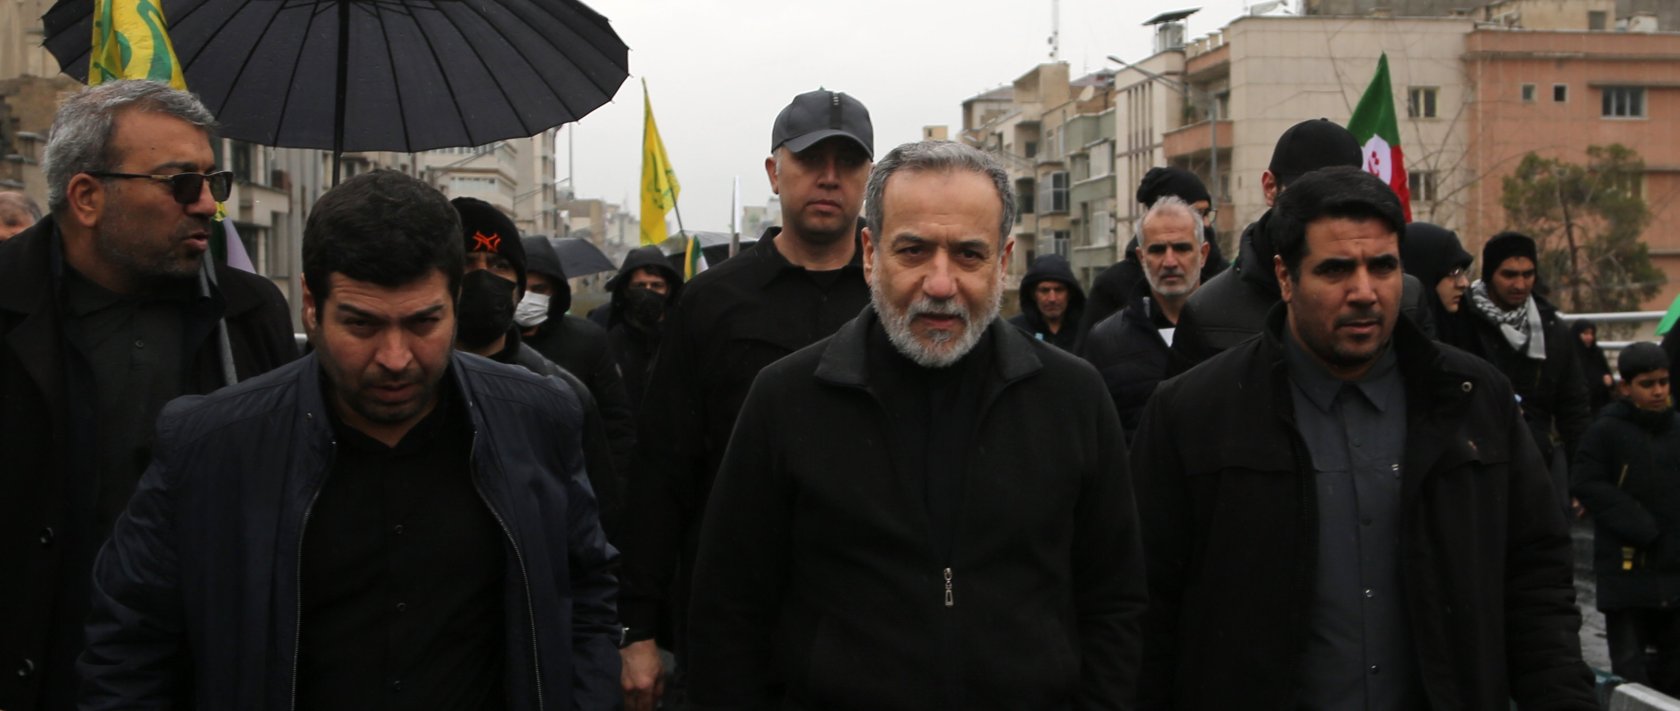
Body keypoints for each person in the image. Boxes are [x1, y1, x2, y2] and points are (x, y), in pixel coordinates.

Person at [77, 169, 620, 709]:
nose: (394, 358)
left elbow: (585, 595)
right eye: (361, 325)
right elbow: (128, 647)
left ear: (454, 301)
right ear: (311, 305)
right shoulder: (211, 445)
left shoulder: (539, 416)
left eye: (423, 322)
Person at [687, 139, 1144, 709]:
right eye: (914, 250)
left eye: (969, 255)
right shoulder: (787, 400)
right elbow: (729, 613)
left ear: (1003, 263)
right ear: (870, 253)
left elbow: (1115, 601)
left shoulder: (1073, 398)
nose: (940, 283)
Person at [1132, 166, 1594, 709]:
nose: (1364, 292)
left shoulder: (1475, 400)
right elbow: (1143, 609)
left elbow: (1537, 584)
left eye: (1383, 267)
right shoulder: (1194, 414)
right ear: (1285, 277)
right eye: (1335, 270)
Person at [0, 80, 297, 711]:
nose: (206, 207)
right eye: (179, 183)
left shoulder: (245, 314)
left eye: (214, 183)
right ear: (86, 197)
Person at [618, 88, 875, 709]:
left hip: (869, 625)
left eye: (848, 162)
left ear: (870, 177)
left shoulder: (894, 299)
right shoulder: (712, 302)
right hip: (734, 627)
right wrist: (637, 630)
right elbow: (662, 470)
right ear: (774, 171)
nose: (829, 178)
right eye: (812, 159)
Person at [1171, 118, 1435, 367]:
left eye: (1339, 195)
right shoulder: (1208, 311)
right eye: (1306, 195)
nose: (1363, 293)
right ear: (1270, 187)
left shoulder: (1406, 299)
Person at [452, 198, 626, 537]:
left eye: (499, 264)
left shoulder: (563, 396)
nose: (483, 276)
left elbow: (594, 525)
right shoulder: (408, 381)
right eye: (467, 263)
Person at [1573, 342, 1680, 694]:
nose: (1658, 391)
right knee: (1632, 678)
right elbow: (1587, 482)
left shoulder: (1675, 428)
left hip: (1672, 569)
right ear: (1626, 387)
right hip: (1625, 570)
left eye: (1663, 382)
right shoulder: (1606, 431)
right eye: (1648, 384)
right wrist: (1640, 525)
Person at [1459, 231, 1592, 495]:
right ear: (1490, 274)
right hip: (1476, 466)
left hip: (1537, 463)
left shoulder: (1552, 329)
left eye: (1527, 274)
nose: (1520, 284)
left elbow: (1573, 407)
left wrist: (1582, 478)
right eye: (1509, 274)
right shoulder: (1461, 319)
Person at [1082, 195, 1209, 441]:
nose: (1170, 261)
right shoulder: (1106, 342)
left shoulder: (1233, 331)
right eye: (1158, 250)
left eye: (1182, 248)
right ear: (1142, 258)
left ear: (1203, 254)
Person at [519, 233, 636, 476]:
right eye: (521, 288)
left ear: (555, 291)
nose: (528, 298)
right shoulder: (492, 341)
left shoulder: (587, 340)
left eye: (538, 289)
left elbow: (615, 422)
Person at [1076, 166, 1226, 343]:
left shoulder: (1226, 283)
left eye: (1207, 213)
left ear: (1203, 253)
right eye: (1199, 213)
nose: (1206, 223)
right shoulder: (1113, 287)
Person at [599, 245, 683, 417]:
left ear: (668, 290)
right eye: (640, 286)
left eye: (656, 285)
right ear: (626, 290)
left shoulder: (682, 335)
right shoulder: (610, 336)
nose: (647, 292)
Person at [1399, 221, 1473, 349]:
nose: (1464, 283)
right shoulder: (1400, 351)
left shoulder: (1465, 329)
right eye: (1454, 272)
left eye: (1463, 271)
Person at [1007, 253, 1083, 350]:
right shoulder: (1014, 331)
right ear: (1033, 294)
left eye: (1059, 290)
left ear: (1070, 293)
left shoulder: (1086, 330)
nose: (1052, 299)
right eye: (1044, 290)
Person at [1573, 319, 1614, 416]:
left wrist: (1609, 381)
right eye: (1585, 333)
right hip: (1579, 405)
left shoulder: (1596, 352)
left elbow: (1606, 373)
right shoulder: (1571, 354)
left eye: (1591, 334)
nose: (1589, 337)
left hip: (1600, 403)